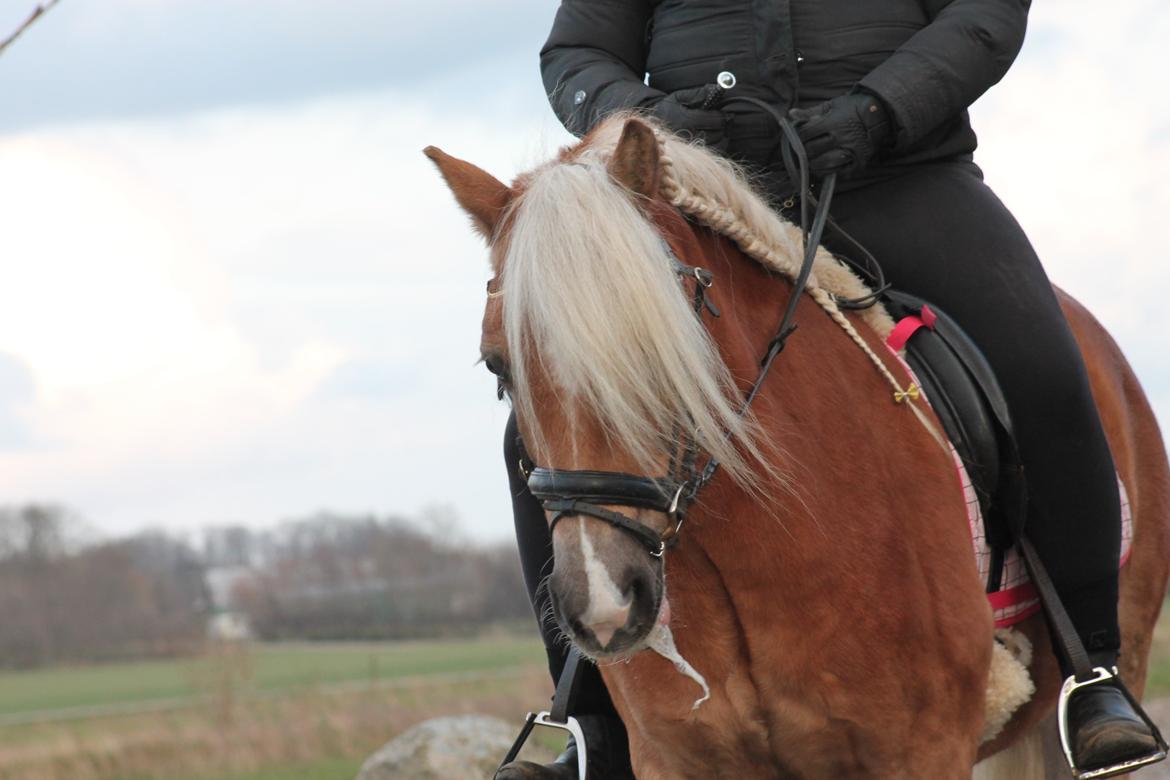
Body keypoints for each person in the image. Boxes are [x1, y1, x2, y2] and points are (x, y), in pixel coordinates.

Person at [497, 2, 1163, 778]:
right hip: (695, 192)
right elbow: (579, 47)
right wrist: (649, 116)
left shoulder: (890, 141)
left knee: (1044, 365)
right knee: (539, 422)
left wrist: (879, 111)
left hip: (893, 174)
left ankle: (1092, 669)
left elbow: (983, 15)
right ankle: (590, 723)